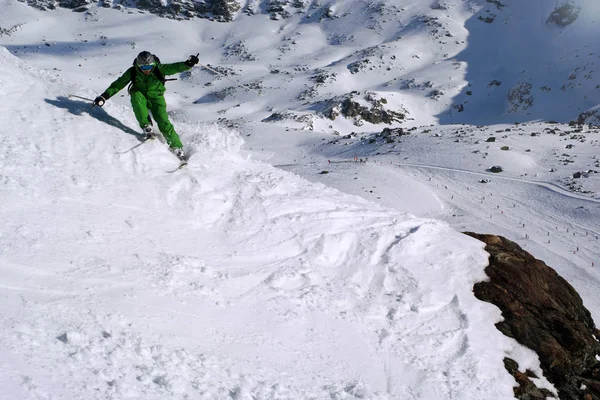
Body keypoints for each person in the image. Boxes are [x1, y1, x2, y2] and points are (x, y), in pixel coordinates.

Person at [94, 51, 199, 160]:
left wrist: (188, 64)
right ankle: (146, 126)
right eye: (143, 67)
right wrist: (104, 96)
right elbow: (118, 84)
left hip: (156, 97)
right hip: (140, 94)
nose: (147, 70)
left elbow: (175, 67)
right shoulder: (132, 72)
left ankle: (177, 147)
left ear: (153, 64)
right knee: (137, 100)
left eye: (149, 66)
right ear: (138, 66)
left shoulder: (159, 68)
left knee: (162, 119)